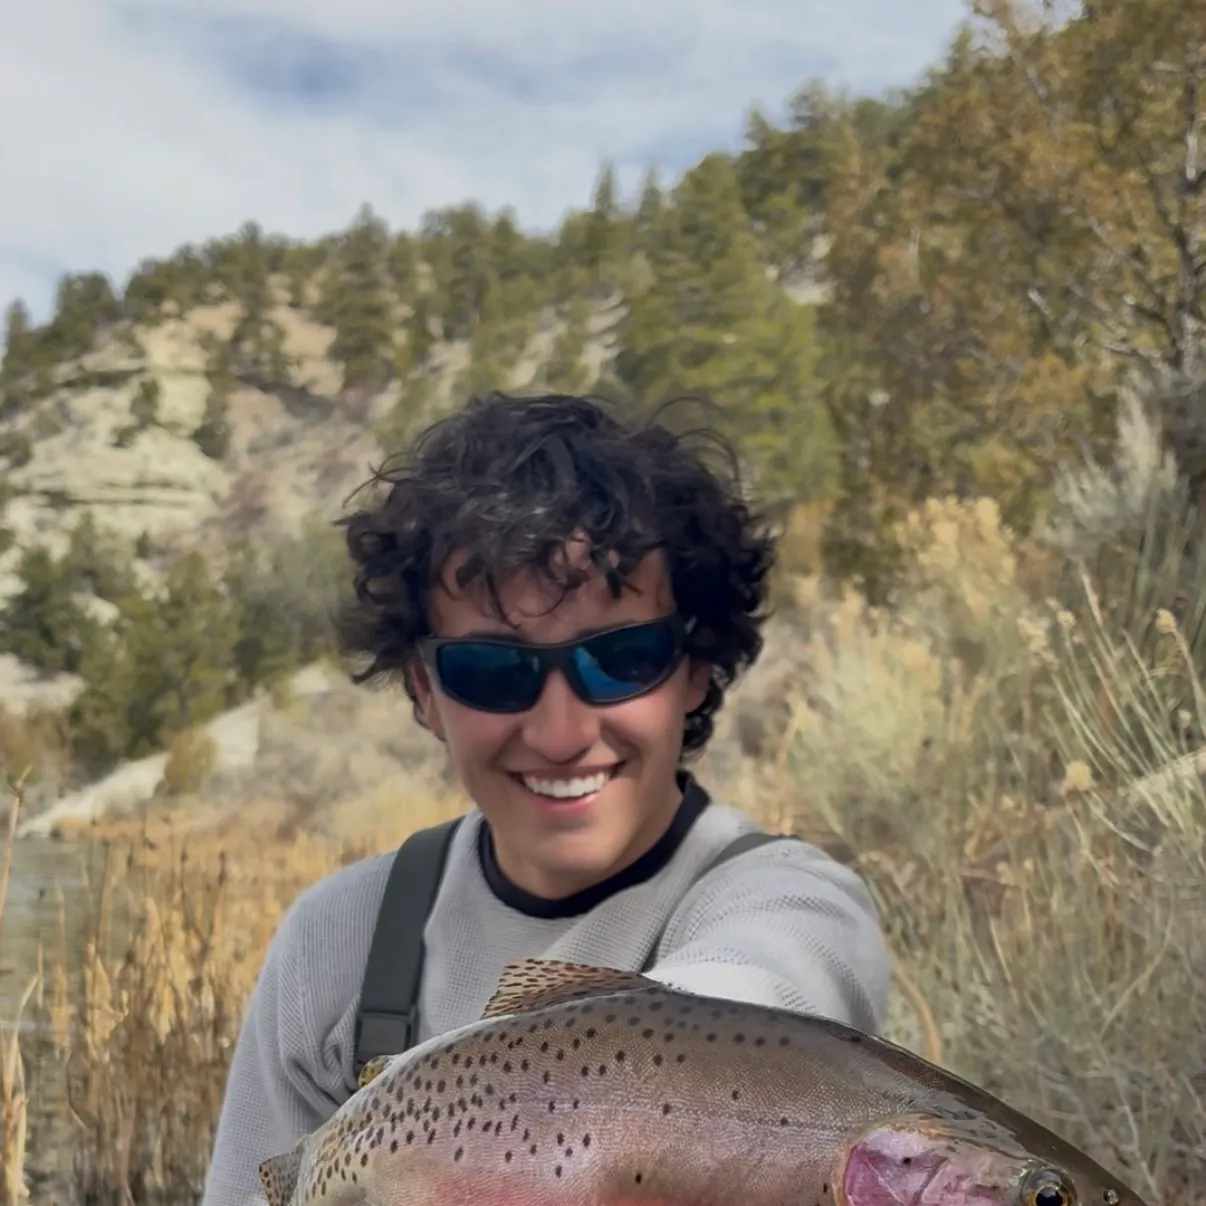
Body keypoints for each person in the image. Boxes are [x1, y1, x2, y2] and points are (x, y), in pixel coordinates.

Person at [200, 391, 892, 1206]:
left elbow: (757, 991)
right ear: (424, 690)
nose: (561, 733)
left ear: (696, 666)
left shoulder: (799, 906)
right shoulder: (334, 942)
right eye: (493, 670)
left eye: (621, 659)